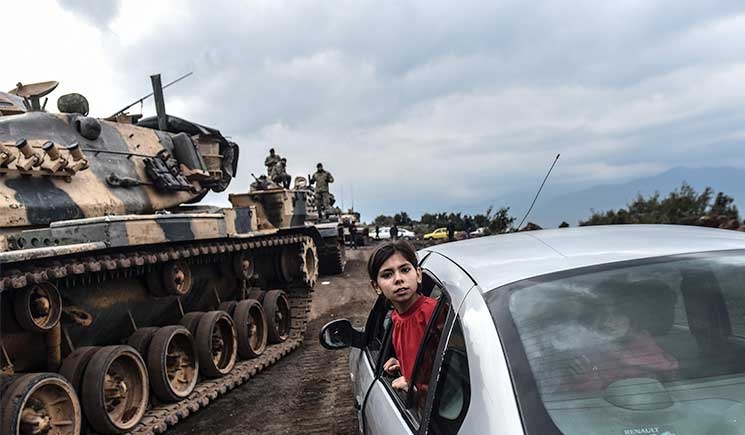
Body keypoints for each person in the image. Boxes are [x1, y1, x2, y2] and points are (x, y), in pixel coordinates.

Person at [367, 241, 437, 391]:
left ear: (418, 274)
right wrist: (404, 365)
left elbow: (453, 370)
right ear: (376, 287)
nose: (398, 279)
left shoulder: (434, 313)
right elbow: (427, 360)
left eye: (405, 270)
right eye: (387, 275)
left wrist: (414, 385)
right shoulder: (396, 318)